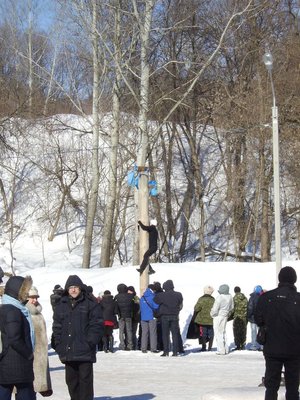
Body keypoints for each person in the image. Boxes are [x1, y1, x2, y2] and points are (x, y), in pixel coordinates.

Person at [52, 275, 103, 400]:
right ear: (67, 290)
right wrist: (58, 344)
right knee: (71, 382)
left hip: (84, 351)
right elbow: (57, 326)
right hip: (68, 351)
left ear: (80, 289)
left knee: (85, 384)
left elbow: (97, 324)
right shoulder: (61, 305)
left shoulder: (90, 303)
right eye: (71, 288)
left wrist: (89, 342)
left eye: (75, 287)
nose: (73, 290)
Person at [255, 266, 300, 400]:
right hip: (294, 349)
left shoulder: (266, 297)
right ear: (294, 280)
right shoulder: (298, 298)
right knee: (293, 386)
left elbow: (258, 318)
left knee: (271, 386)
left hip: (272, 347)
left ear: (280, 279)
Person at [0, 275, 36, 400]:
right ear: (17, 291)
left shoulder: (9, 308)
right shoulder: (13, 310)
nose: (27, 294)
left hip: (9, 363)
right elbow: (14, 338)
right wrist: (29, 354)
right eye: (25, 290)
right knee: (25, 394)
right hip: (16, 363)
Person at [26, 286, 52, 397]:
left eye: (36, 297)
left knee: (36, 387)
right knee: (27, 389)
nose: (35, 300)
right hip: (29, 355)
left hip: (40, 355)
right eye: (32, 297)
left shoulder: (38, 313)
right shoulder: (24, 313)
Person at [154, 279, 183, 357]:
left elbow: (155, 301)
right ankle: (175, 352)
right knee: (175, 334)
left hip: (164, 316)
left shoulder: (161, 295)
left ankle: (166, 351)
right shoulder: (178, 294)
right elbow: (180, 305)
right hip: (174, 316)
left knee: (165, 334)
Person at [210, 284, 233, 355]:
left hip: (218, 316)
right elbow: (232, 307)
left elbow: (215, 309)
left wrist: (212, 314)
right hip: (225, 316)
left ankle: (221, 350)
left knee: (218, 333)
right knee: (223, 332)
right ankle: (226, 349)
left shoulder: (220, 297)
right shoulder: (230, 296)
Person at [140, 284, 160, 353]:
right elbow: (156, 306)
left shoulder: (142, 297)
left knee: (144, 333)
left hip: (143, 317)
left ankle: (143, 348)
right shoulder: (152, 297)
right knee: (153, 333)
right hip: (151, 317)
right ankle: (153, 348)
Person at [194, 285, 215, 351]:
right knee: (211, 333)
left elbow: (196, 308)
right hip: (211, 319)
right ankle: (210, 347)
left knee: (203, 333)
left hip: (202, 320)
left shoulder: (201, 299)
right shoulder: (213, 299)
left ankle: (204, 347)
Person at [114, 283, 134, 351]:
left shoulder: (117, 297)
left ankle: (122, 345)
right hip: (128, 315)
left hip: (121, 316)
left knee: (121, 331)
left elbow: (115, 307)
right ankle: (130, 345)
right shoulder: (130, 296)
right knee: (129, 331)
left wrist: (118, 313)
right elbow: (133, 305)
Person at [247, 284, 264, 350]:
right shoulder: (263, 296)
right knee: (261, 331)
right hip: (260, 317)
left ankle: (254, 345)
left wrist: (248, 316)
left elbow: (250, 307)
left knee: (253, 332)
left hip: (253, 317)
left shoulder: (252, 297)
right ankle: (262, 346)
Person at [232, 286, 248, 350]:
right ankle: (243, 344)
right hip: (244, 317)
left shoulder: (234, 298)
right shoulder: (245, 298)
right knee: (243, 331)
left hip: (237, 317)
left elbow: (232, 308)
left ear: (235, 291)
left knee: (236, 331)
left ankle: (238, 345)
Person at [127, 286, 140, 350]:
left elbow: (138, 307)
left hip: (134, 318)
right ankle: (131, 344)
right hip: (130, 317)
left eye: (130, 290)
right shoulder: (135, 298)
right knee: (129, 332)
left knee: (133, 332)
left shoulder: (135, 298)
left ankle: (134, 345)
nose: (129, 292)